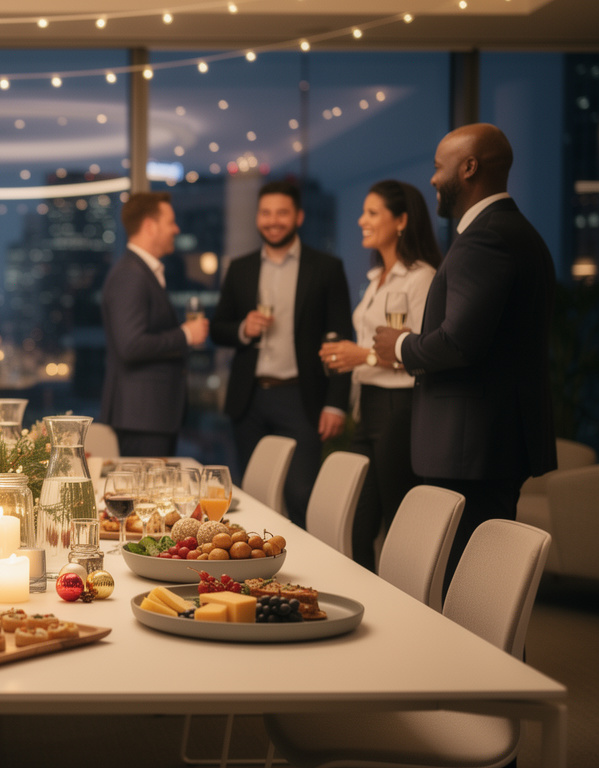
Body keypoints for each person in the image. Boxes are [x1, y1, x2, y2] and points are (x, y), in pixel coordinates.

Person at [374, 123, 557, 583]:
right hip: (486, 445)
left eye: (439, 167)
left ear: (469, 167)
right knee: (481, 589)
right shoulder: (518, 232)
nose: (433, 179)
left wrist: (397, 346)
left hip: (472, 448)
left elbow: (459, 342)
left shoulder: (486, 238)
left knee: (471, 588)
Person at [210, 180, 354, 528]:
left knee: (300, 494)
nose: (273, 220)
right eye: (266, 213)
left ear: (299, 217)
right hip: (250, 399)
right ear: (258, 217)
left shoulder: (326, 267)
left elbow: (343, 338)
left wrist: (336, 403)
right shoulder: (240, 267)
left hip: (301, 397)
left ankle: (302, 578)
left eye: (282, 213)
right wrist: (244, 328)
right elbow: (218, 328)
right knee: (253, 494)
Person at [318, 180, 440, 569]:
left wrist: (362, 356)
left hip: (398, 407)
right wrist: (347, 359)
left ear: (402, 220)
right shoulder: (376, 279)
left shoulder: (422, 278)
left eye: (373, 213)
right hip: (369, 408)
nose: (361, 220)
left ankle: (409, 615)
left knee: (396, 523)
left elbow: (419, 352)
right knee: (357, 523)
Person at [100, 191, 209, 457]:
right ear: (150, 226)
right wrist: (186, 334)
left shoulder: (140, 271)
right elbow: (131, 345)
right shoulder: (131, 274)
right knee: (144, 497)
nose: (176, 229)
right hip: (142, 419)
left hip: (148, 417)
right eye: (170, 222)